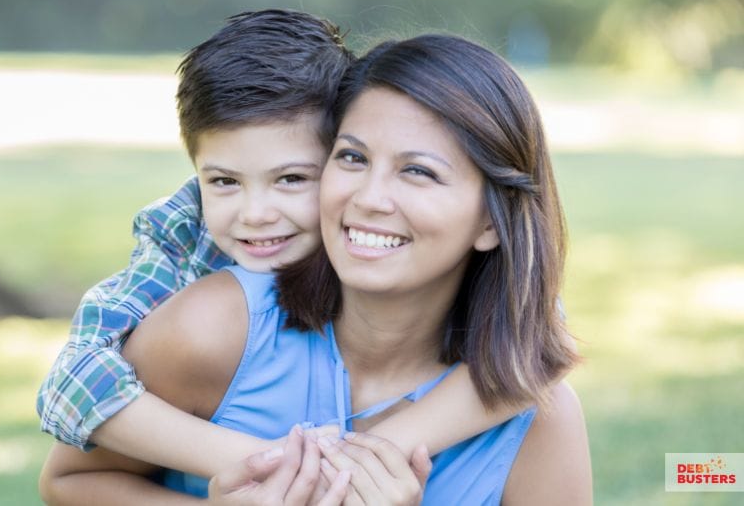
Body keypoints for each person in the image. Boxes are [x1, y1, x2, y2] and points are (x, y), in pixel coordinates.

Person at [41, 34, 592, 505]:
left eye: (419, 172)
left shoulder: (535, 418)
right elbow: (69, 481)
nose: (370, 198)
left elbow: (539, 338)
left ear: (491, 223)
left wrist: (370, 456)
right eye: (352, 157)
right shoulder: (213, 327)